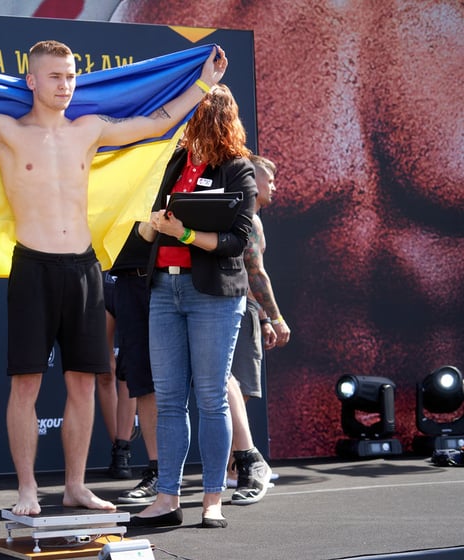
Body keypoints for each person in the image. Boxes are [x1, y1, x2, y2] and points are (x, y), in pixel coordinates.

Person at [0, 39, 228, 516]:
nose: (67, 84)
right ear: (32, 81)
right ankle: (26, 489)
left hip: (83, 268)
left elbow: (158, 121)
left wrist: (205, 82)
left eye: (72, 75)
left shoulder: (89, 129)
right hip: (33, 267)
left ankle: (76, 486)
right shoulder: (7, 132)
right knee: (26, 385)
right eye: (57, 76)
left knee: (83, 384)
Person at [113, 0, 464, 460]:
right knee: (189, 392)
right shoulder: (171, 12)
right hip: (292, 420)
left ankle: (234, 469)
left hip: (442, 414)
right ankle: (223, 468)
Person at [128, 84, 257, 529]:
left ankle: (212, 499)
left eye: (192, 112)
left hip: (213, 296)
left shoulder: (238, 169)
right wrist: (154, 226)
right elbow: (152, 223)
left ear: (212, 118)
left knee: (210, 398)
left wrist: (182, 234)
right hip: (164, 289)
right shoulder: (176, 162)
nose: (184, 121)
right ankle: (167, 497)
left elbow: (237, 241)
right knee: (167, 401)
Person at [226, 154, 290, 506]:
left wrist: (264, 319)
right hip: (237, 307)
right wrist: (276, 317)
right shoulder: (248, 218)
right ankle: (241, 466)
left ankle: (234, 469)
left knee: (234, 391)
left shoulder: (246, 218)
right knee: (236, 389)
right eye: (269, 179)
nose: (274, 187)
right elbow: (256, 273)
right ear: (251, 180)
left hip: (243, 308)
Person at [110, 223, 160, 504]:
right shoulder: (112, 179)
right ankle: (158, 471)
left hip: (176, 276)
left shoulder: (173, 177)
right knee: (142, 378)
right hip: (129, 278)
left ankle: (242, 460)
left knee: (208, 376)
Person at [97, 271, 137, 480]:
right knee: (105, 370)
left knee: (128, 371)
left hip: (131, 282)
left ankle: (123, 450)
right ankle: (118, 450)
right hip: (100, 283)